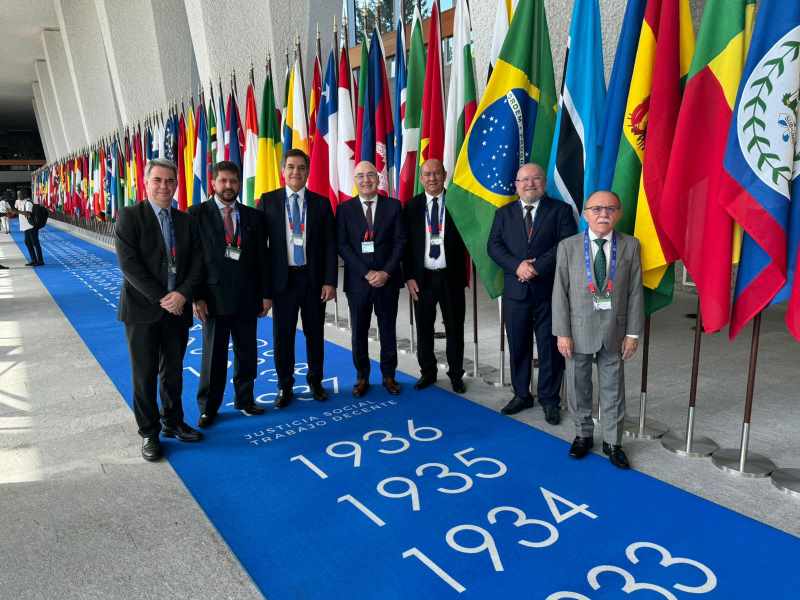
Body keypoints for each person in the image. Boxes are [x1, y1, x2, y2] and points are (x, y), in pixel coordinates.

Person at [115, 158, 204, 461]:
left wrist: (182, 295)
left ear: (177, 184)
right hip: (142, 311)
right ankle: (149, 433)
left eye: (170, 181)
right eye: (158, 180)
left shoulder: (186, 220)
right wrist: (165, 298)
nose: (164, 186)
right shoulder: (129, 216)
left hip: (178, 310)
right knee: (144, 375)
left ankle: (173, 421)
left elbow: (196, 264)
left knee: (174, 372)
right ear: (146, 182)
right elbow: (130, 266)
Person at [552, 191, 644, 469]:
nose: (603, 214)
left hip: (615, 332)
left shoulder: (630, 246)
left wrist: (633, 333)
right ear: (585, 214)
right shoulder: (568, 246)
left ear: (619, 213)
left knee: (613, 389)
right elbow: (560, 292)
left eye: (610, 208)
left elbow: (636, 292)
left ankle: (613, 442)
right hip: (577, 331)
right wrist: (562, 332)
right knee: (578, 386)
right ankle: (583, 434)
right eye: (596, 209)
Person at [487, 163, 577, 424]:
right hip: (515, 294)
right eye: (523, 180)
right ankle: (521, 394)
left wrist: (536, 267)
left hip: (550, 293)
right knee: (518, 346)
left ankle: (550, 400)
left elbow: (566, 244)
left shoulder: (560, 211)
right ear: (516, 185)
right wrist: (517, 266)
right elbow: (493, 246)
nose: (529, 184)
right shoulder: (503, 214)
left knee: (550, 349)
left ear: (543, 183)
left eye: (535, 178)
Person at [190, 161, 268, 427]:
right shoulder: (195, 215)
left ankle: (245, 400)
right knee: (214, 355)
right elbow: (193, 261)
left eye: (233, 181)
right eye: (223, 181)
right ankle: (208, 407)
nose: (228, 186)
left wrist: (265, 295)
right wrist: (196, 297)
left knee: (247, 352)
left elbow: (261, 259)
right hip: (212, 299)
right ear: (213, 183)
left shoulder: (253, 217)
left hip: (247, 297)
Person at [259, 149, 338, 407]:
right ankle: (285, 387)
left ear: (307, 171)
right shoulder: (268, 201)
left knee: (315, 335)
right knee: (283, 337)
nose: (296, 172)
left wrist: (330, 281)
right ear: (283, 171)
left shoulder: (321, 203)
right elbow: (262, 250)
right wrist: (265, 291)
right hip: (283, 282)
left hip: (314, 281)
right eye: (291, 167)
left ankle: (316, 382)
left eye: (301, 167)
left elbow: (329, 245)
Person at [337, 161, 406, 397]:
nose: (366, 180)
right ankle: (362, 376)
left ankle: (389, 376)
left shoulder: (394, 206)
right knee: (359, 331)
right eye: (360, 176)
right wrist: (366, 273)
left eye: (370, 175)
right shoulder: (344, 209)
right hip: (358, 283)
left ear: (378, 178)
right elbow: (343, 246)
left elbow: (400, 242)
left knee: (387, 330)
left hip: (387, 281)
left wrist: (385, 272)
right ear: (355, 181)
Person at [403, 158, 468, 393]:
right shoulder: (411, 207)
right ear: (421, 178)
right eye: (427, 174)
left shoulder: (458, 204)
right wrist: (408, 276)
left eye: (437, 173)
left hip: (451, 278)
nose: (432, 178)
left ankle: (456, 374)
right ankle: (428, 372)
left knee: (455, 328)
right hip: (422, 280)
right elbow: (406, 246)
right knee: (424, 328)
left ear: (445, 175)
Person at [15, 192, 44, 266]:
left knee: (35, 243)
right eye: (18, 194)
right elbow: (17, 208)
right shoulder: (19, 201)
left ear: (24, 194)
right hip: (26, 227)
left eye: (20, 194)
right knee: (28, 243)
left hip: (31, 226)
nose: (18, 196)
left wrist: (17, 212)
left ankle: (40, 261)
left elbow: (28, 214)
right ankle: (34, 260)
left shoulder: (28, 203)